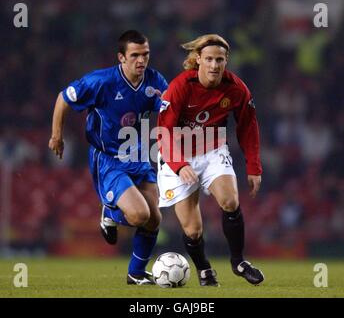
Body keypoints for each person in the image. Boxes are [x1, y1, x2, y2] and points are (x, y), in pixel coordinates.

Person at [49, 30, 168, 285]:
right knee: (139, 216)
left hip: (138, 156)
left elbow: (170, 111)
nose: (141, 60)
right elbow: (64, 97)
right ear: (121, 58)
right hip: (109, 159)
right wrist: (56, 135)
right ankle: (111, 213)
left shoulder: (155, 81)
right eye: (134, 55)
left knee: (155, 218)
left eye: (145, 54)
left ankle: (135, 274)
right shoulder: (100, 81)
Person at [157, 34, 264, 286]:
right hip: (177, 155)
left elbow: (248, 126)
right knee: (193, 230)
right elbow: (163, 132)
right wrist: (179, 165)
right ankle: (204, 268)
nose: (214, 65)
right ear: (197, 60)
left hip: (212, 149)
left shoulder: (236, 88)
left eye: (220, 60)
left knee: (230, 200)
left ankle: (238, 262)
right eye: (209, 59)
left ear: (226, 61)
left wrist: (254, 166)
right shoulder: (180, 86)